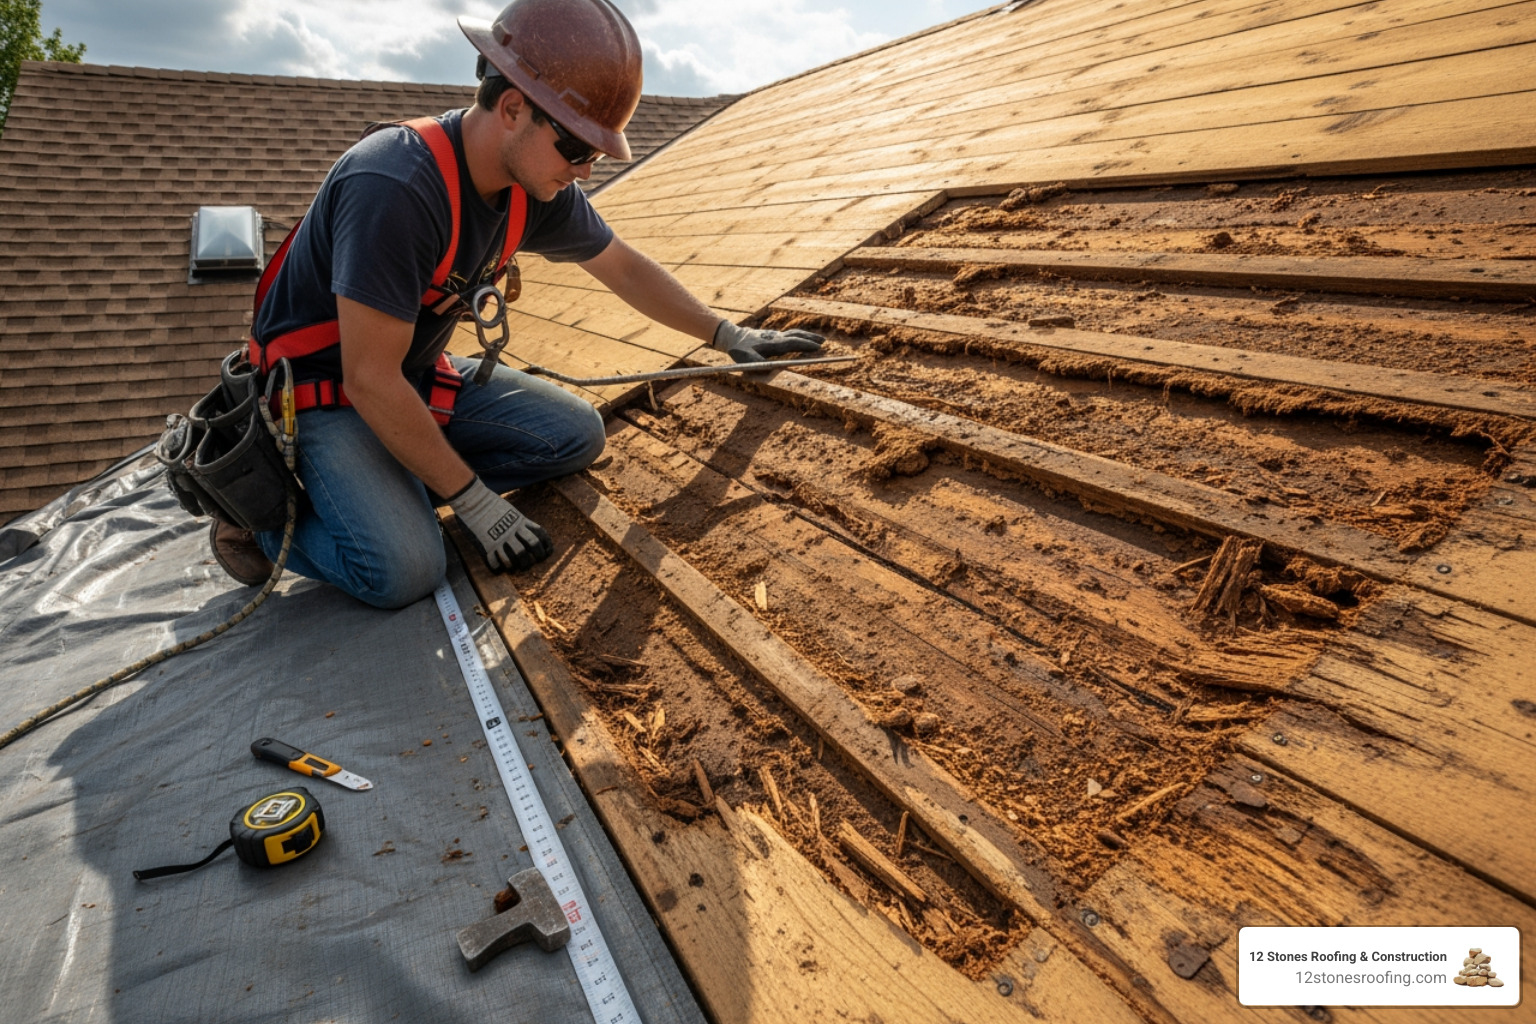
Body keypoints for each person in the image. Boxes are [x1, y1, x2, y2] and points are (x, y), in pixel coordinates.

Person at [212, 0, 823, 608]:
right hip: (325, 397)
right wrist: (477, 504)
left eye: (595, 155)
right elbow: (368, 380)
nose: (584, 170)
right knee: (405, 569)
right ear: (512, 109)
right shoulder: (394, 188)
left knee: (575, 436)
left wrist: (724, 334)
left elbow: (623, 266)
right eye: (576, 150)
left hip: (412, 379)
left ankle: (391, 488)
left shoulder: (535, 184)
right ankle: (263, 528)